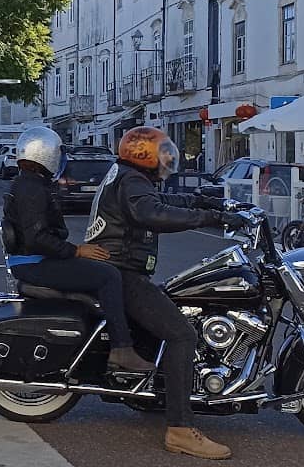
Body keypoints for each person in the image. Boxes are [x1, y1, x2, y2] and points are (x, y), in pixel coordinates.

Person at [86, 126, 243, 459]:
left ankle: (162, 394)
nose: (168, 157)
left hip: (120, 268)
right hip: (122, 272)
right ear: (143, 153)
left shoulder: (130, 177)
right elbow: (152, 213)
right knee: (182, 336)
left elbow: (159, 201)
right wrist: (208, 217)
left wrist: (205, 199)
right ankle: (181, 430)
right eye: (162, 151)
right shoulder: (131, 181)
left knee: (177, 312)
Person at [3, 127, 149, 372]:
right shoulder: (31, 188)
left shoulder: (28, 183)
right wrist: (76, 251)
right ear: (45, 154)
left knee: (102, 268)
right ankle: (122, 348)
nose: (60, 160)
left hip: (31, 260)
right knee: (108, 275)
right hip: (35, 263)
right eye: (58, 154)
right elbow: (38, 237)